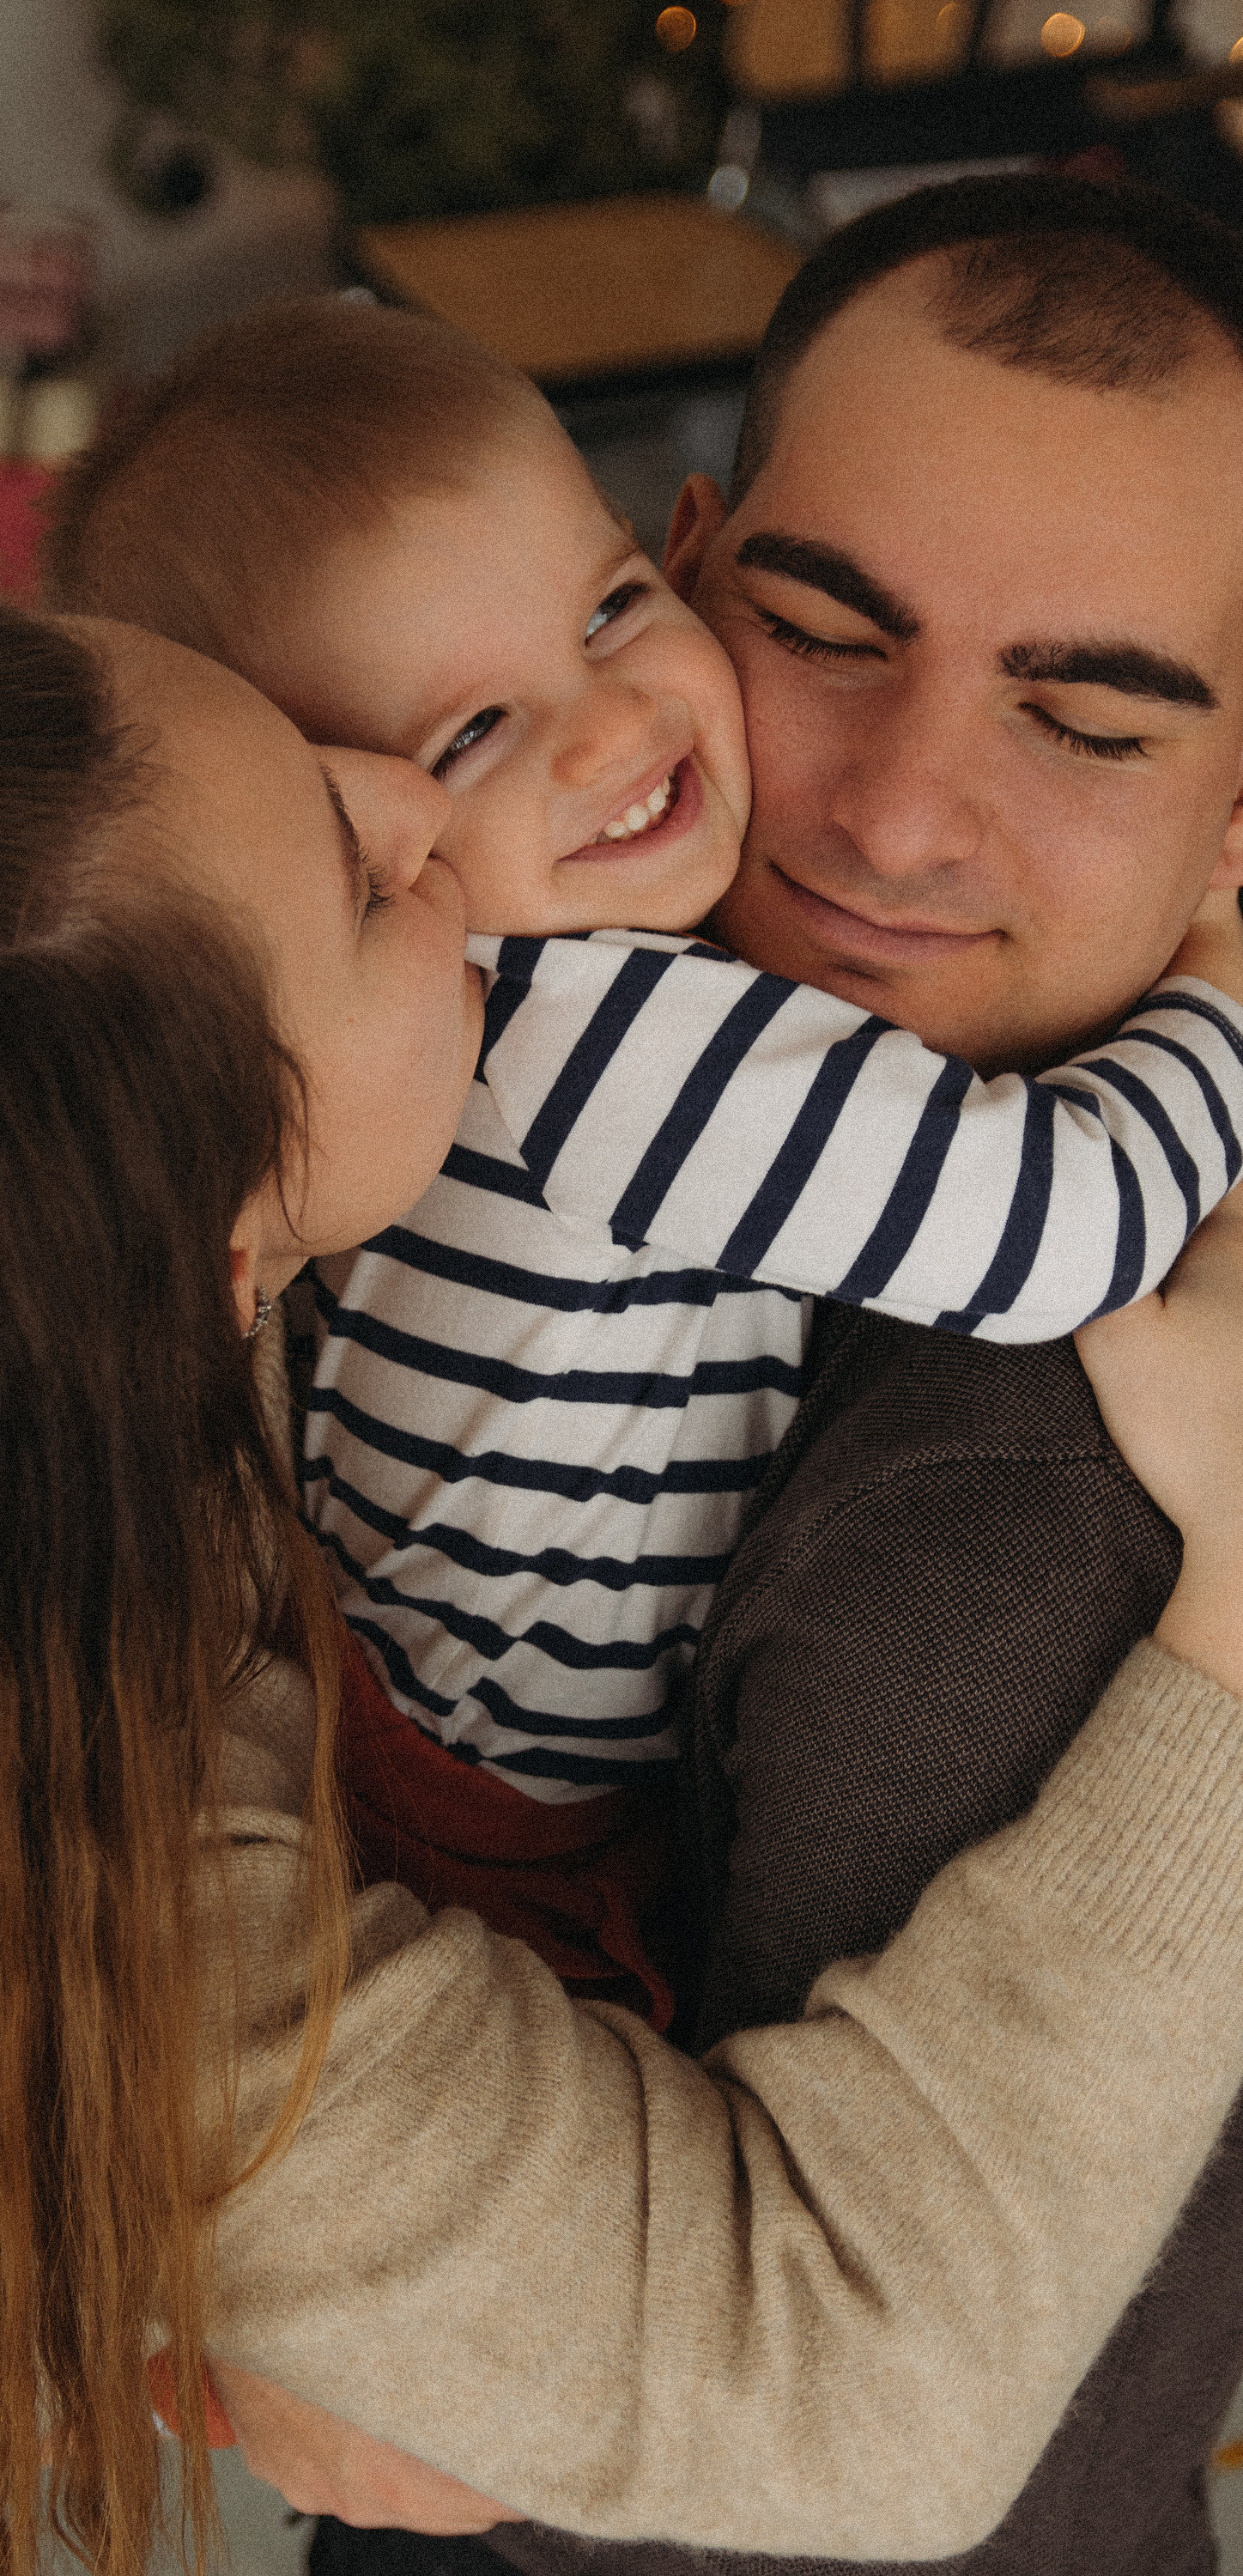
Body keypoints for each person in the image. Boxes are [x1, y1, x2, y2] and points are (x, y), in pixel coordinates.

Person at [0, 565, 1243, 2576]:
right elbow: (861, 2389)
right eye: (361, 889)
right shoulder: (125, 1947)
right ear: (217, 1268)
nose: (422, 807)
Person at [226, 174, 1243, 2576]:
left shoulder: (1031, 1494)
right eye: (811, 629)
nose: (894, 811)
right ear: (671, 572)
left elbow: (764, 2449)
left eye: (1089, 718)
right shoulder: (435, 984)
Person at [47, 289, 1243, 2036]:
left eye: (609, 613)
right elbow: (1056, 1223)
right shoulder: (589, 1036)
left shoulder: (466, 1003)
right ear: (336, 816)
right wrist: (1220, 986)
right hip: (498, 1828)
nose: (609, 732)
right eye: (467, 737)